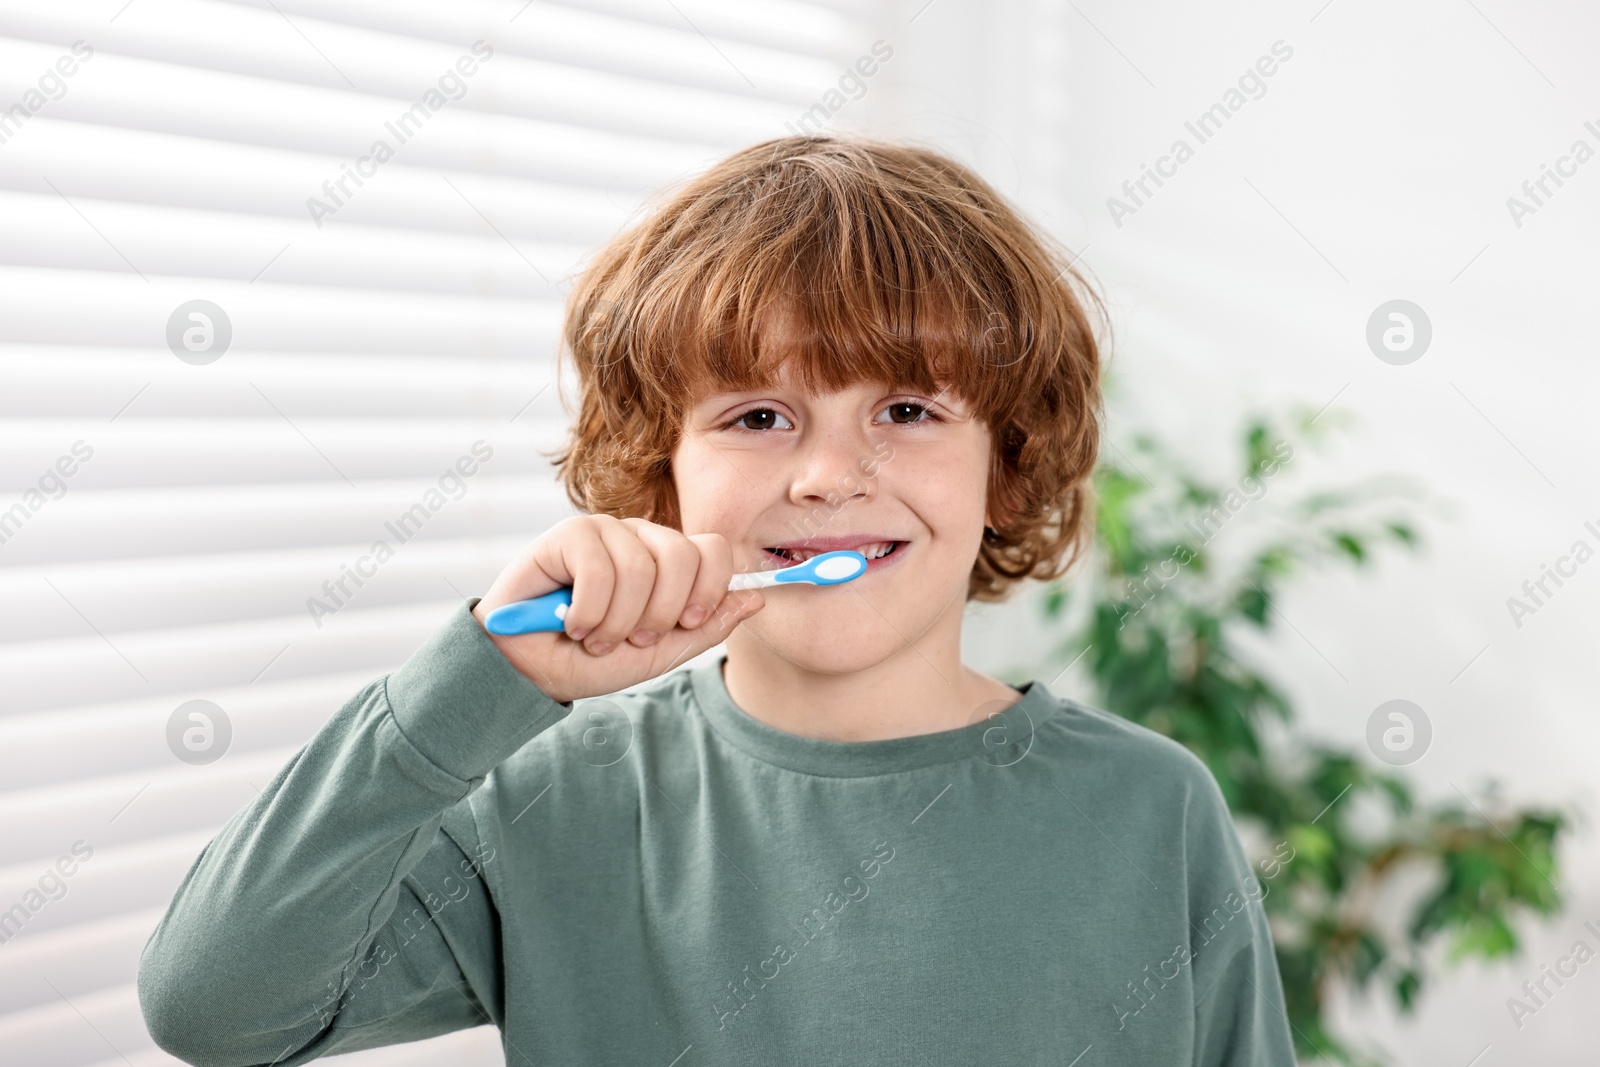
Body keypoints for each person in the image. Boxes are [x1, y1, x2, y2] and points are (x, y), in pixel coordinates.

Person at [138, 135, 1297, 1065]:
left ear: (1007, 460)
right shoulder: (554, 805)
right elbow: (212, 1009)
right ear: (662, 472)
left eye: (906, 410)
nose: (829, 476)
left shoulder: (1151, 810)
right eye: (756, 415)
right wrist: (482, 677)